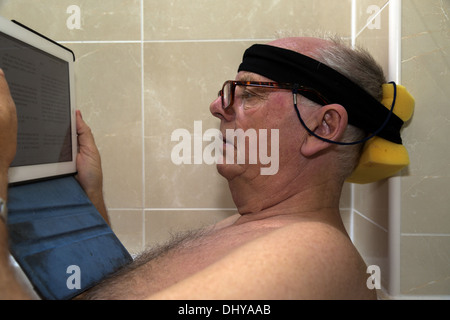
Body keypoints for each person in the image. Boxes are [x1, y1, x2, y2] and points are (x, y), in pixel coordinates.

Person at [0, 36, 392, 300]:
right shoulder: (255, 227)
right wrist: (92, 197)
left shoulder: (312, 252)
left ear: (323, 128)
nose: (216, 106)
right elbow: (134, 286)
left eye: (250, 92)